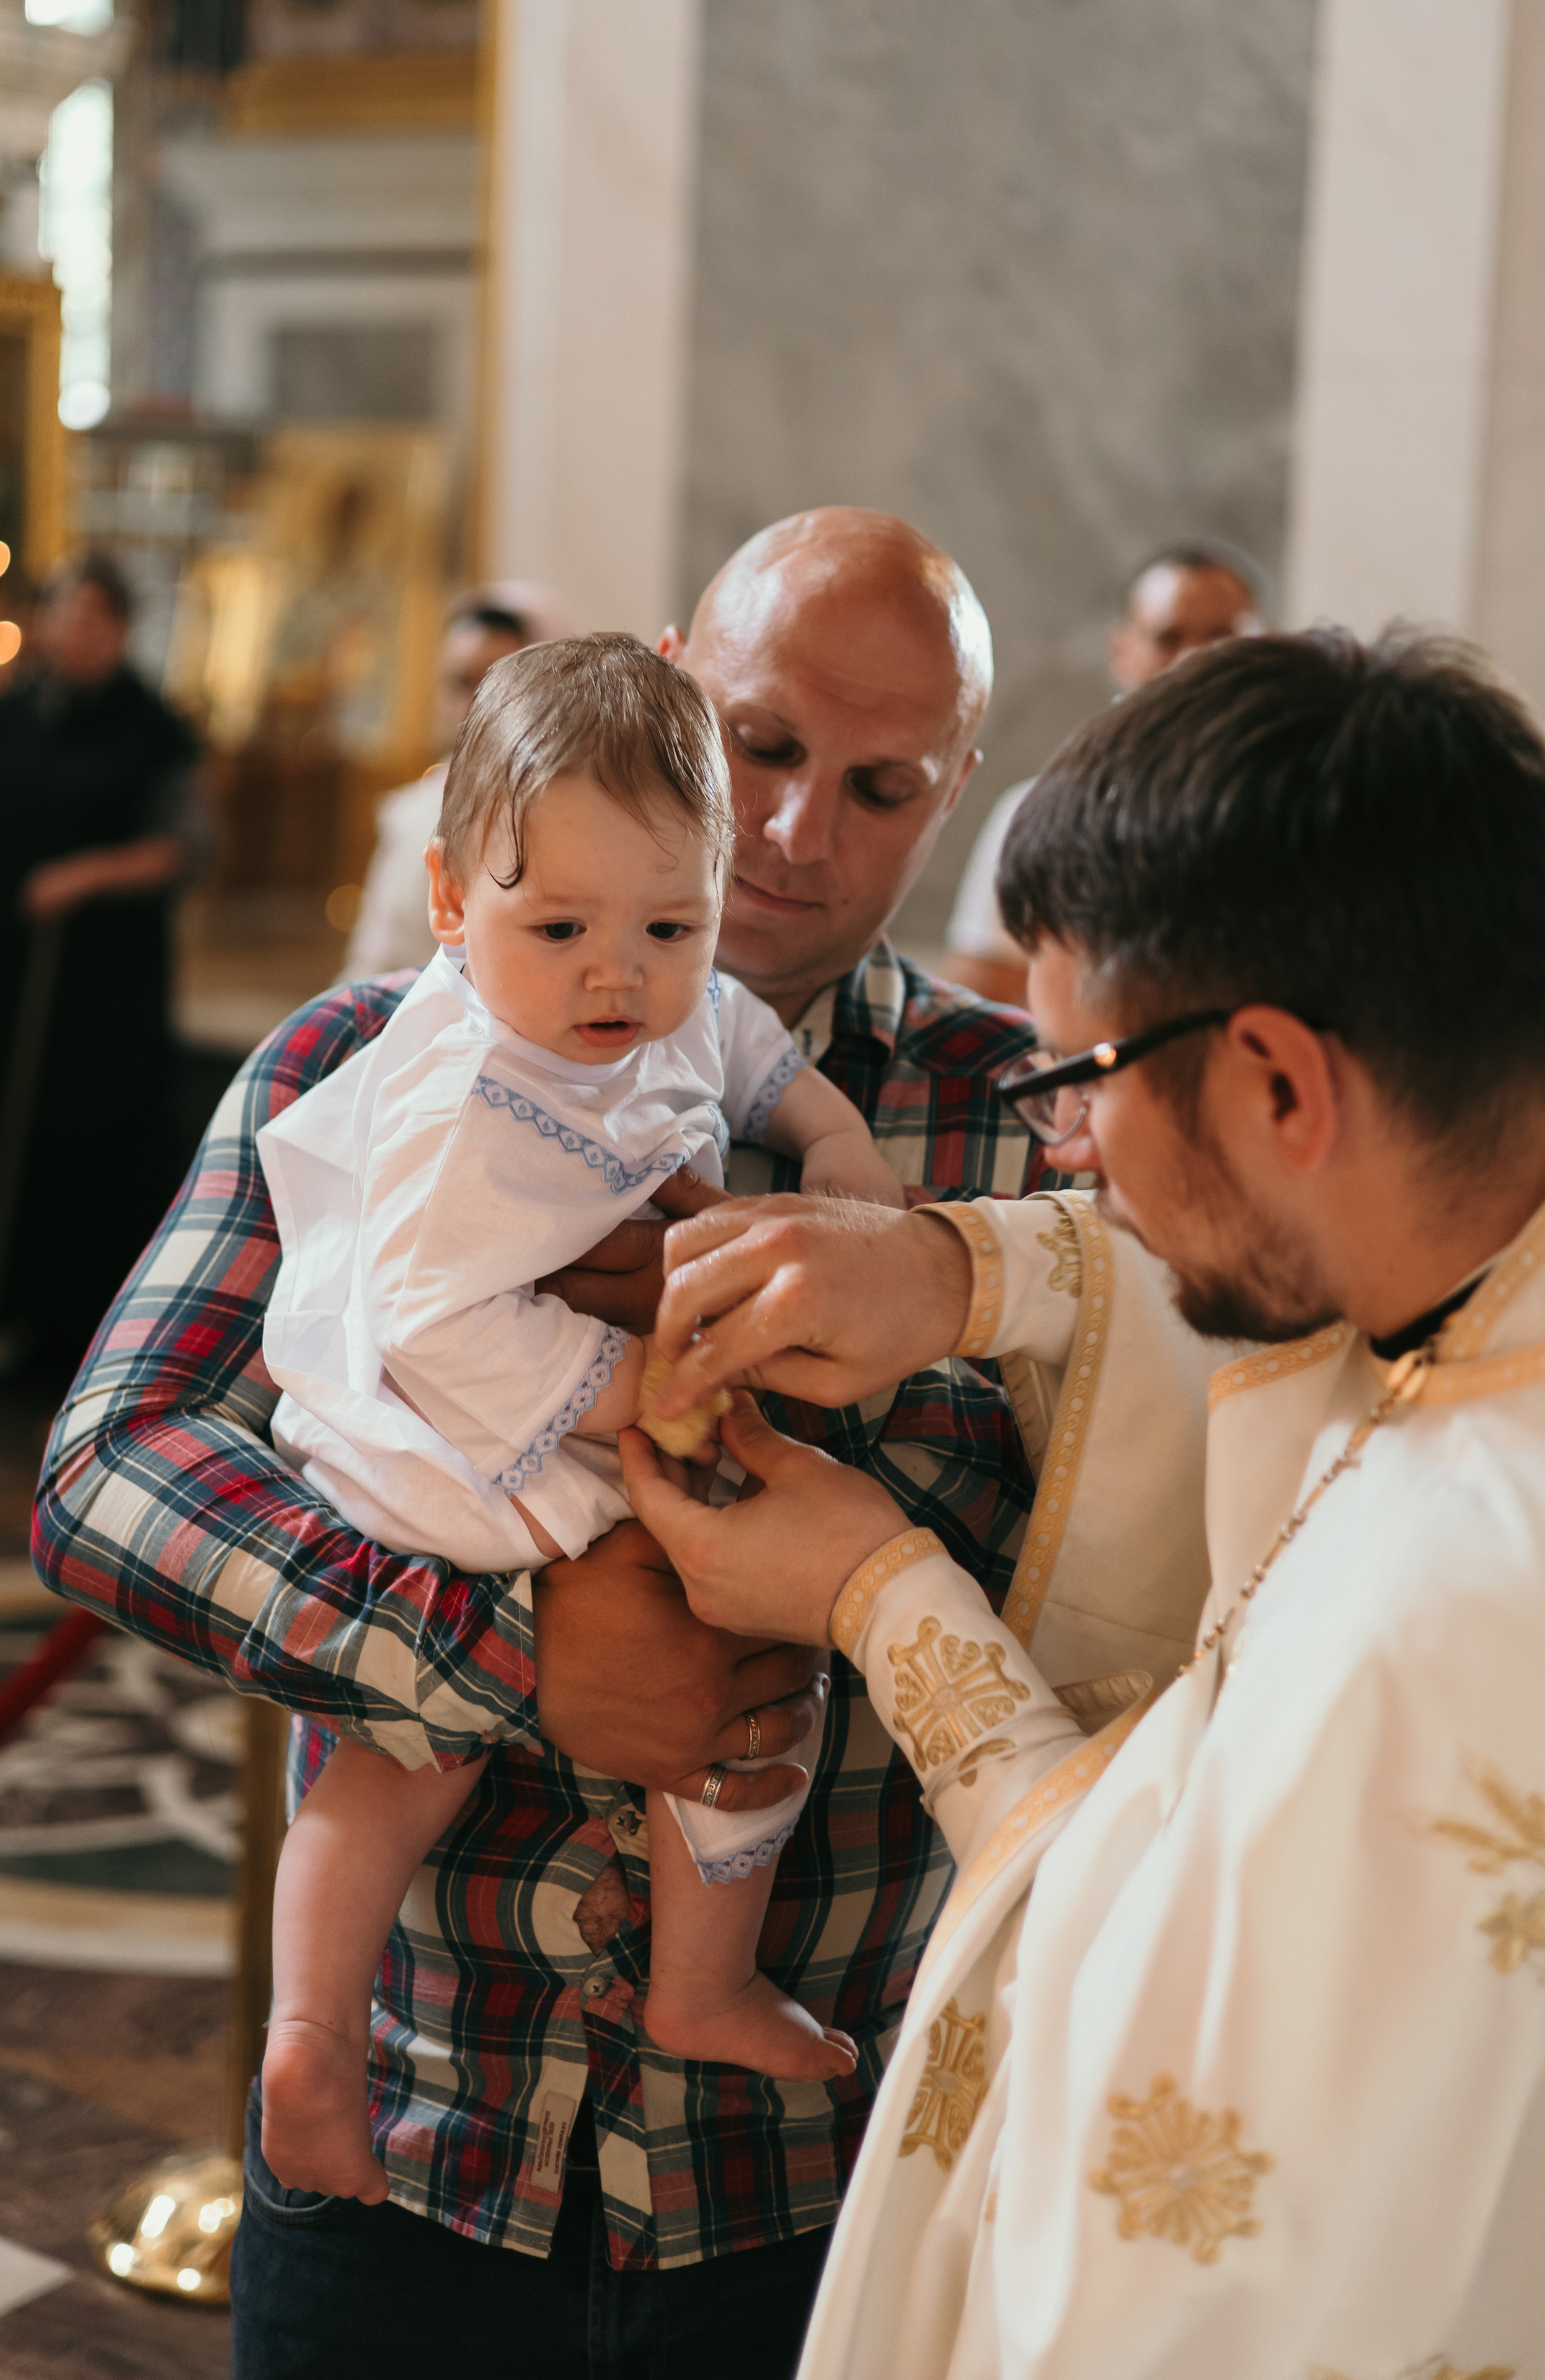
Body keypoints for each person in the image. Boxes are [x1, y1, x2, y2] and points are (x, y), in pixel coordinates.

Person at [33, 509, 1079, 2380]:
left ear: (955, 789)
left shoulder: (1013, 1125)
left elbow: (1102, 1557)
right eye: (760, 744)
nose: (794, 829)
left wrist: (824, 1345)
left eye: (880, 785)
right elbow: (112, 1467)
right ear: (671, 687)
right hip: (419, 2134)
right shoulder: (368, 1063)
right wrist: (508, 1650)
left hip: (813, 2179)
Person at [627, 625, 1545, 2373]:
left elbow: (1153, 2085)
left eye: (1078, 1081)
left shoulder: (1448, 1628)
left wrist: (878, 1595)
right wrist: (957, 1272)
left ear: (1280, 1081)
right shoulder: (1506, 1268)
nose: (1060, 1149)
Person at [260, 636, 904, 2206]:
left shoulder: (664, 994)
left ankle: (689, 1983)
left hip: (554, 1409)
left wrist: (829, 1138)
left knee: (743, 1682)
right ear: (448, 899)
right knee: (415, 1754)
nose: (619, 975)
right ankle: (313, 2034)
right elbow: (431, 1320)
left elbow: (737, 1038)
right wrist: (639, 1388)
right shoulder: (465, 1105)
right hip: (448, 1432)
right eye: (557, 928)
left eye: (669, 926)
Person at [0, 549, 203, 1382]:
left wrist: (83, 876)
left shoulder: (156, 729)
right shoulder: (16, 710)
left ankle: (80, 1334)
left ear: (120, 628)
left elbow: (182, 849)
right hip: (18, 961)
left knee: (92, 1144)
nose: (77, 630)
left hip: (106, 978)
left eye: (96, 616)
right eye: (66, 612)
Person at [944, 537, 1264, 1008]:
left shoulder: (1316, 806)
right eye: (1168, 638)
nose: (1194, 660)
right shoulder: (1042, 813)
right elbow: (977, 1005)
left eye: (1221, 637)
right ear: (1122, 651)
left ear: (1265, 647)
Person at [337, 580, 582, 982]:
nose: (475, 703)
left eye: (496, 680)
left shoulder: (583, 812)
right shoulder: (415, 812)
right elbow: (376, 960)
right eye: (460, 682)